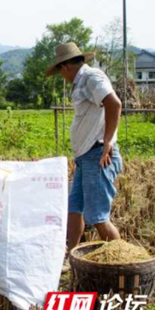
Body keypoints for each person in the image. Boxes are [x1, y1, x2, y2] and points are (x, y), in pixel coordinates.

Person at [46, 42, 123, 252]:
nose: (62, 76)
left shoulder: (91, 77)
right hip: (86, 156)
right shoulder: (82, 81)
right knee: (74, 209)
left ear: (65, 67)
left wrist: (108, 142)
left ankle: (122, 261)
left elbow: (114, 104)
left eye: (60, 72)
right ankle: (70, 255)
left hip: (98, 154)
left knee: (97, 217)